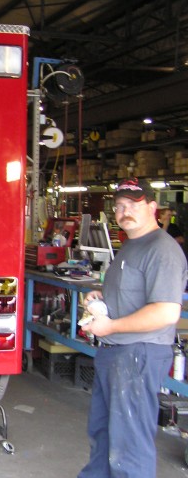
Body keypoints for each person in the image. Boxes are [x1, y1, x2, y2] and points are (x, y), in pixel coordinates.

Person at [79, 177, 188, 478]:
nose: (124, 212)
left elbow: (165, 312)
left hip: (137, 355)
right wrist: (102, 298)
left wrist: (111, 325)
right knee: (103, 433)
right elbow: (132, 295)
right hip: (117, 353)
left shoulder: (161, 250)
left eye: (133, 205)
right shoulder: (132, 245)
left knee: (129, 445)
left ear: (153, 207)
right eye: (119, 206)